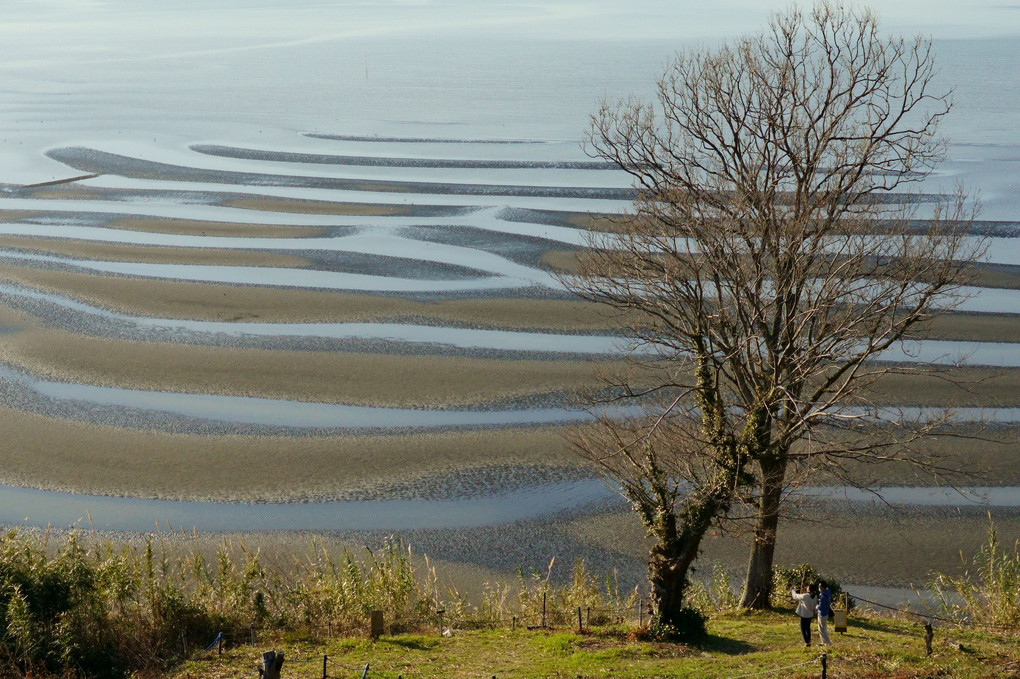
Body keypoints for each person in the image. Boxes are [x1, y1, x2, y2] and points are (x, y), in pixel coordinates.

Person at [817, 581, 832, 647]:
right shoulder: (828, 592)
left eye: (820, 587)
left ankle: (828, 643)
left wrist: (817, 606)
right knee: (822, 628)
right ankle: (823, 642)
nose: (819, 588)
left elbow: (821, 607)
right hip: (826, 613)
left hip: (822, 614)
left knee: (822, 629)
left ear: (822, 587)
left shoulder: (823, 597)